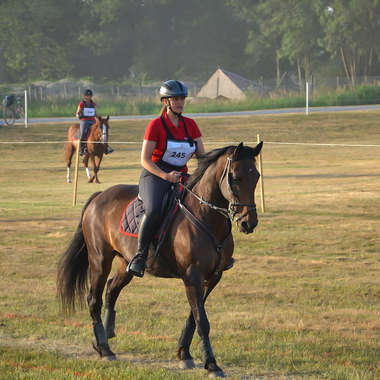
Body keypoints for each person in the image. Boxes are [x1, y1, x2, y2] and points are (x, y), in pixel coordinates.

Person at [127, 80, 206, 278]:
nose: (180, 102)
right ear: (166, 101)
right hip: (155, 174)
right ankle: (140, 255)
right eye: (175, 99)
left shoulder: (191, 125)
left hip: (181, 175)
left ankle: (215, 251)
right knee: (153, 208)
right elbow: (145, 160)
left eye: (182, 98)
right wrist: (165, 176)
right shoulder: (155, 125)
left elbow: (202, 156)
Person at [75, 89, 114, 156]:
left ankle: (106, 147)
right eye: (88, 95)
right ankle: (82, 149)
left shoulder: (93, 104)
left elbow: (95, 113)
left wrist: (99, 119)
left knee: (102, 131)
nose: (89, 97)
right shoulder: (81, 104)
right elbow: (77, 113)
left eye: (90, 95)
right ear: (85, 96)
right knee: (83, 132)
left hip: (93, 120)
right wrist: (80, 115)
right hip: (85, 121)